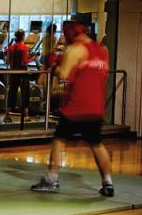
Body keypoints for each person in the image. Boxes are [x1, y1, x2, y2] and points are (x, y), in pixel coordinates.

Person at [31, 21, 113, 197]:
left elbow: (64, 75)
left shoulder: (76, 49)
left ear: (69, 34)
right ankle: (108, 183)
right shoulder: (103, 51)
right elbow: (101, 76)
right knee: (97, 143)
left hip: (77, 105)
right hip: (96, 105)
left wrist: (54, 66)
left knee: (59, 139)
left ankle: (52, 180)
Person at [5, 29, 35, 122]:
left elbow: (7, 61)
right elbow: (24, 62)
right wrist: (33, 58)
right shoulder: (25, 47)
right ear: (23, 36)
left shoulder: (11, 47)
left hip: (13, 71)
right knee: (25, 93)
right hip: (22, 72)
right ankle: (26, 116)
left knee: (12, 93)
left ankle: (7, 114)